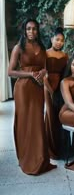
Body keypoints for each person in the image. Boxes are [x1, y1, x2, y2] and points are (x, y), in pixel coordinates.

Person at [8, 18, 57, 175]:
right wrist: (30, 74)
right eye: (28, 29)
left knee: (36, 121)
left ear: (38, 30)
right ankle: (25, 157)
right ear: (24, 30)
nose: (31, 32)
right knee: (24, 121)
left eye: (34, 29)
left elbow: (44, 68)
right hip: (23, 88)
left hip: (37, 88)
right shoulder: (18, 48)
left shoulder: (42, 47)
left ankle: (39, 157)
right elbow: (10, 72)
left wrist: (43, 72)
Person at [44, 27, 68, 159]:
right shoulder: (45, 53)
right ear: (52, 39)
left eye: (62, 41)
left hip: (60, 87)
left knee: (60, 116)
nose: (59, 42)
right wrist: (50, 90)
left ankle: (60, 149)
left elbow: (65, 75)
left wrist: (60, 90)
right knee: (50, 115)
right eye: (57, 39)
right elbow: (43, 75)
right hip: (48, 87)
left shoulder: (65, 55)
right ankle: (49, 148)